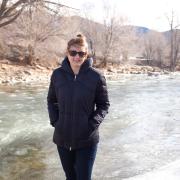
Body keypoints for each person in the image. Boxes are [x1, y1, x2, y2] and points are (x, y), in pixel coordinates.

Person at [47, 34, 110, 180]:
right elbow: (51, 100)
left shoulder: (96, 76)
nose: (77, 57)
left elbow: (104, 105)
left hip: (86, 139)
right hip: (62, 138)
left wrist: (91, 125)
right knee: (70, 177)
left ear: (86, 54)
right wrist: (56, 121)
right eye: (73, 52)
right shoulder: (57, 75)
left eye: (81, 53)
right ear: (67, 52)